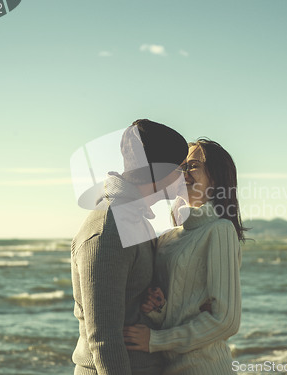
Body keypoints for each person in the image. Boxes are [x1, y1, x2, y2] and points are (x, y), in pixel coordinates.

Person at [70, 119, 188, 375]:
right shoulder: (110, 228)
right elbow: (104, 338)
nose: (184, 176)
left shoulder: (134, 219)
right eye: (180, 168)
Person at [124, 138, 246, 375]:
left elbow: (227, 321)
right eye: (181, 167)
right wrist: (158, 308)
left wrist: (156, 340)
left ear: (217, 177)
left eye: (193, 165)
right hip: (167, 368)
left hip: (206, 367)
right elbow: (183, 309)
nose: (183, 173)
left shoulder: (220, 230)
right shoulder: (168, 238)